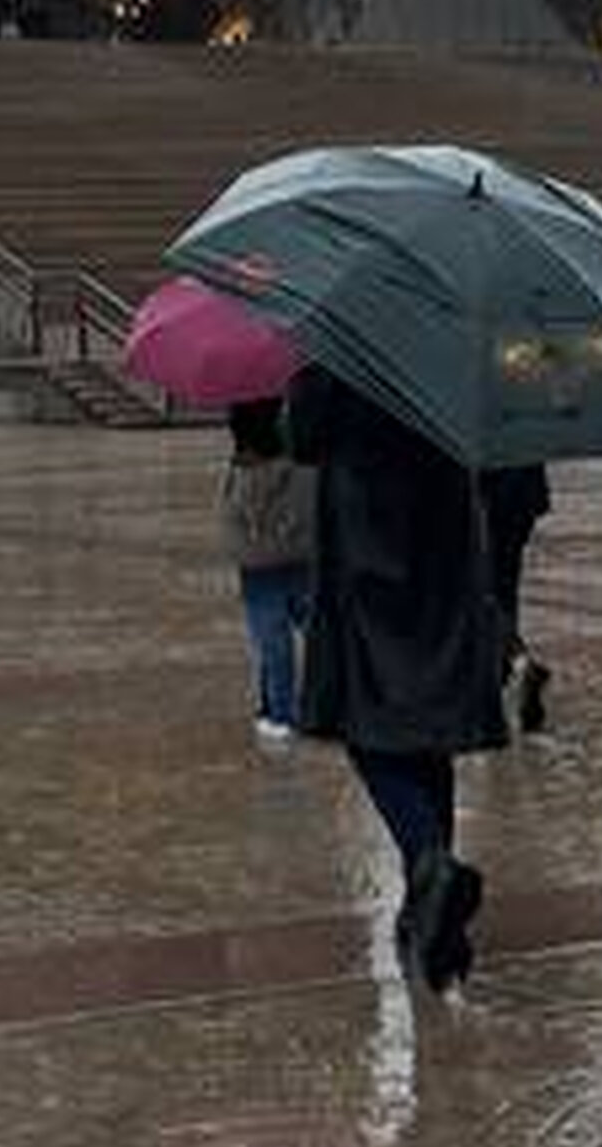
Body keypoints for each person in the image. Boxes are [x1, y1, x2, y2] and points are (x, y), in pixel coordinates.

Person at [286, 364, 508, 992]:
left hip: (365, 543)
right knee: (429, 726)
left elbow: (301, 437)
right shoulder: (446, 339)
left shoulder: (337, 341)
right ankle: (429, 910)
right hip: (444, 537)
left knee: (363, 722)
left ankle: (427, 860)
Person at [220, 396, 316, 740]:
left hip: (259, 567)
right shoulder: (307, 464)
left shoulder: (245, 472)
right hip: (305, 559)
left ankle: (280, 712)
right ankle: (318, 703)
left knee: (271, 641)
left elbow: (234, 520)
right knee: (314, 632)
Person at [481, 461, 555, 734]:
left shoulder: (471, 420)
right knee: (504, 586)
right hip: (522, 496)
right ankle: (501, 672)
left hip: (484, 496)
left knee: (482, 591)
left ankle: (517, 661)